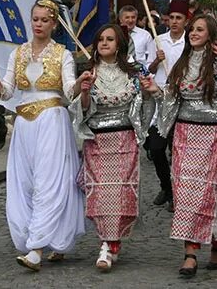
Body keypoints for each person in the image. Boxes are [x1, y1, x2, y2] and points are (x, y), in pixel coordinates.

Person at [142, 13, 217, 279]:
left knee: (212, 192)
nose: (193, 33)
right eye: (192, 29)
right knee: (186, 193)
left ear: (211, 34)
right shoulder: (181, 64)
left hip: (213, 135)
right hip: (185, 134)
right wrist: (155, 91)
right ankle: (190, 252)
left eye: (200, 29)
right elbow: (172, 99)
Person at [0, 0, 86, 271]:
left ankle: (37, 248)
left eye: (44, 20)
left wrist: (78, 84)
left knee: (49, 181)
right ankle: (47, 237)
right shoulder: (17, 53)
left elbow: (67, 91)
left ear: (54, 24)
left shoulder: (63, 54)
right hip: (24, 124)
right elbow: (7, 91)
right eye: (35, 19)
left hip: (52, 120)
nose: (39, 24)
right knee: (25, 182)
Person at [70, 24, 147, 271]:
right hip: (98, 141)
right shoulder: (89, 74)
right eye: (101, 39)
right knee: (102, 196)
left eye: (110, 39)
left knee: (120, 195)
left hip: (125, 140)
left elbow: (145, 104)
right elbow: (81, 109)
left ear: (119, 44)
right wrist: (83, 92)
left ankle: (111, 244)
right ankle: (106, 244)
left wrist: (151, 93)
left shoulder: (133, 74)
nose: (104, 43)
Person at [145, 0, 188, 209]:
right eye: (171, 18)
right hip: (160, 99)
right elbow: (148, 71)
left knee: (178, 150)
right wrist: (155, 61)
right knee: (156, 148)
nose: (174, 22)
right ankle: (166, 185)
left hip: (181, 99)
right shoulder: (158, 40)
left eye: (178, 18)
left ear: (185, 21)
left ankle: (178, 194)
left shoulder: (190, 41)